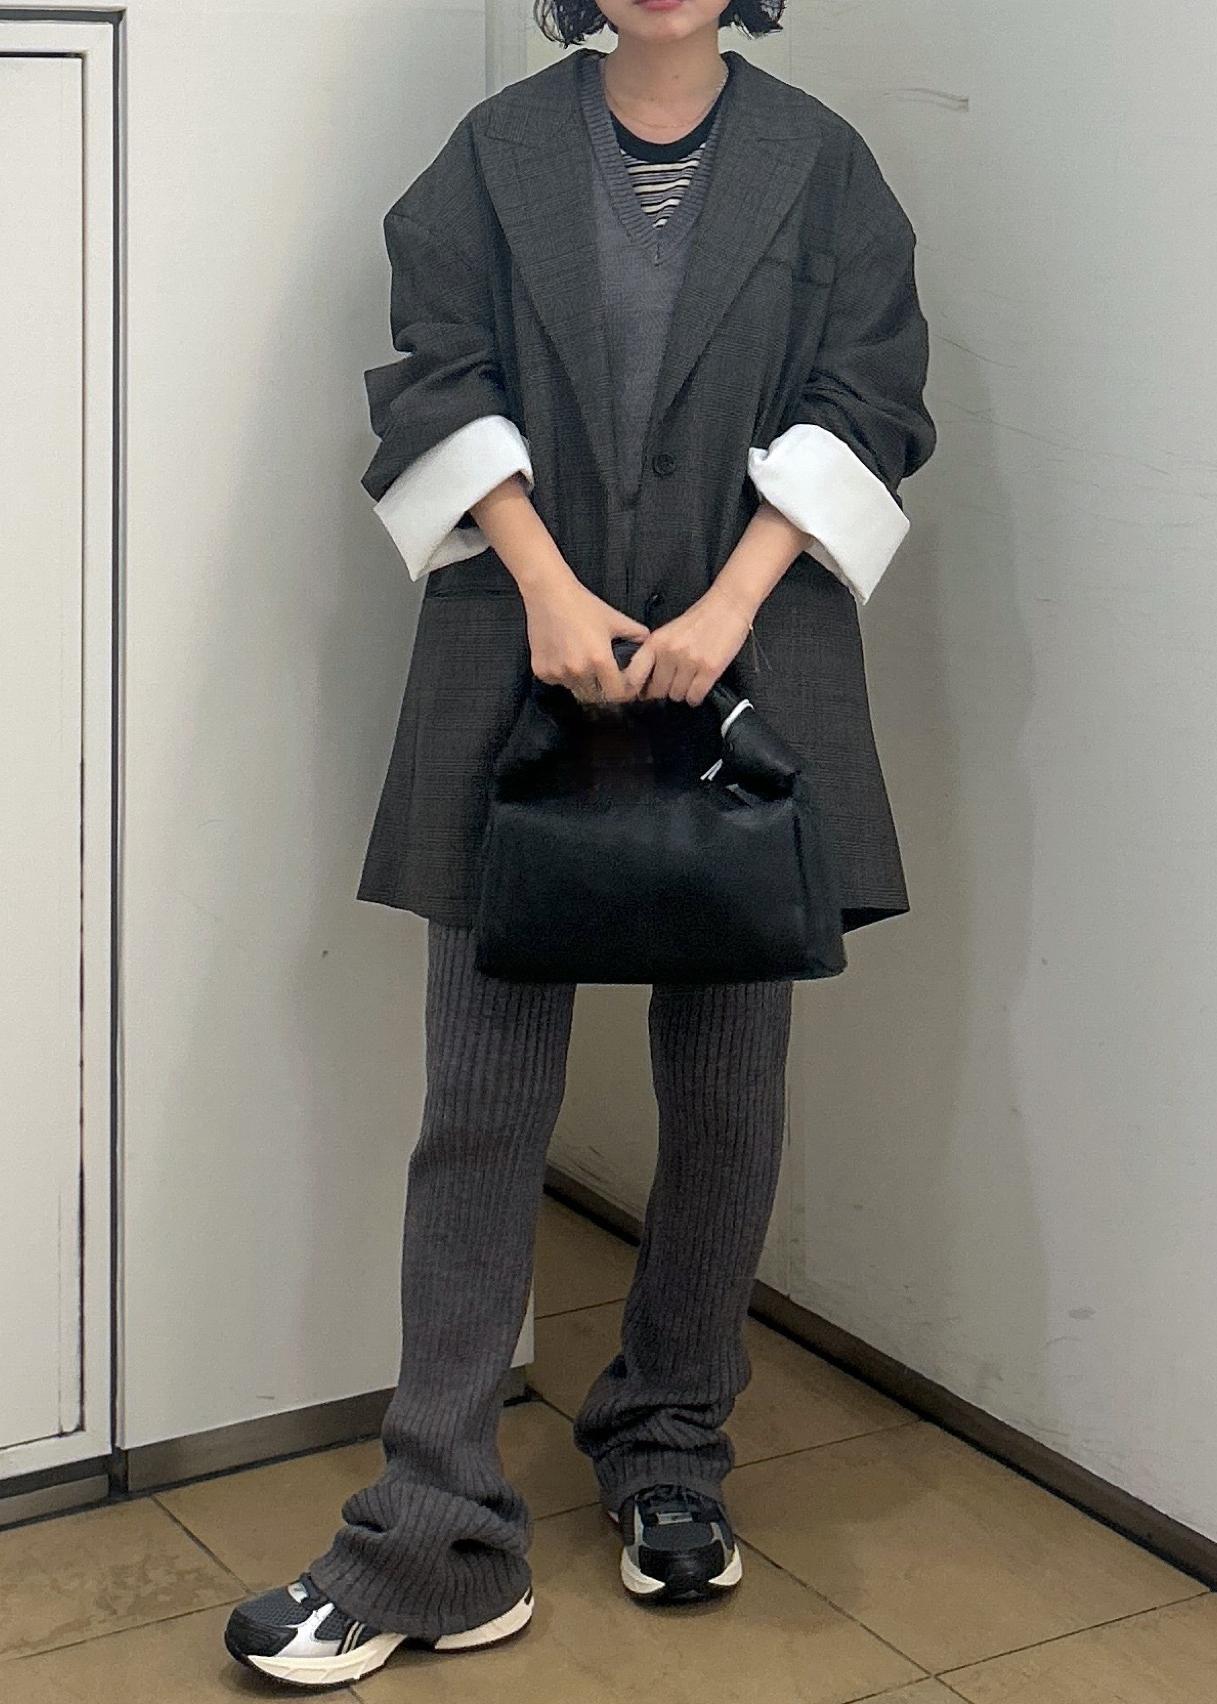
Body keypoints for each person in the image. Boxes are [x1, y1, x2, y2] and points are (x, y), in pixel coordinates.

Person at [224, 0, 936, 1687]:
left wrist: (726, 611)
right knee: (478, 1108)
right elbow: (435, 377)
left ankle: (670, 1447)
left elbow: (870, 402)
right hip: (514, 660)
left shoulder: (823, 164)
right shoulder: (493, 155)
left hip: (745, 672)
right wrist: (545, 588)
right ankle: (434, 1527)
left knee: (726, 1100)